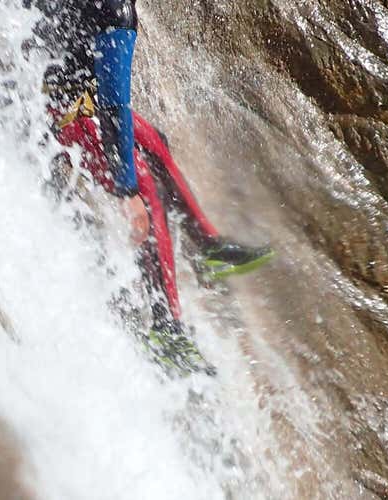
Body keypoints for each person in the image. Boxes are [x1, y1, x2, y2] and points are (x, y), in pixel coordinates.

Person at [26, 0, 274, 374]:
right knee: (147, 190)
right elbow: (113, 108)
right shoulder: (116, 13)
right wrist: (128, 191)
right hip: (69, 116)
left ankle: (205, 244)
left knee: (154, 141)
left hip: (43, 100)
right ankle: (165, 328)